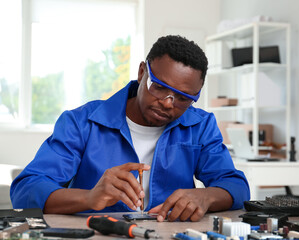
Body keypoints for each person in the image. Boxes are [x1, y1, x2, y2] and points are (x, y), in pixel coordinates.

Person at [10, 35, 250, 222]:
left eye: (183, 98)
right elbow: (26, 189)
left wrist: (205, 196)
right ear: (142, 73)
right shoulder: (82, 122)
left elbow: (237, 187)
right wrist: (89, 197)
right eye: (158, 87)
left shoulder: (201, 125)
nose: (168, 103)